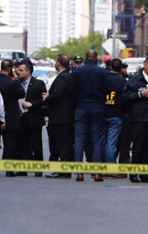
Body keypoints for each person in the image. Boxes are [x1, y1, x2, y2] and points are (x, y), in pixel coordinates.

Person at [70, 49, 108, 182]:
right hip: (97, 107)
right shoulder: (102, 72)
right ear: (96, 58)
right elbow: (107, 89)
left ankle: (79, 173)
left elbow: (71, 90)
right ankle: (97, 173)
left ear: (86, 58)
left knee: (79, 139)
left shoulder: (77, 72)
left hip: (81, 107)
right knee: (97, 140)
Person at [43, 54, 74, 178]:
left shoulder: (62, 77)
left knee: (61, 144)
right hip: (66, 115)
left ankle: (62, 170)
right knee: (66, 144)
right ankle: (65, 170)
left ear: (58, 63)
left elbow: (57, 95)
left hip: (60, 116)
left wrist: (47, 98)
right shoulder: (69, 76)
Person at [0, 60, 26, 176]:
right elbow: (21, 93)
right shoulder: (12, 82)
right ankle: (8, 170)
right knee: (10, 144)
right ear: (10, 68)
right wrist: (16, 81)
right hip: (11, 115)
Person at [16, 59, 47, 176]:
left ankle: (38, 169)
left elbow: (43, 100)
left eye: (21, 70)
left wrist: (31, 104)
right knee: (22, 143)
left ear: (28, 72)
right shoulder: (17, 83)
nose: (18, 72)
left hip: (34, 118)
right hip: (21, 118)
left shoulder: (38, 83)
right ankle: (22, 168)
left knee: (36, 144)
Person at [103, 59, 126, 176]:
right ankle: (110, 168)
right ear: (121, 68)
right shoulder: (122, 81)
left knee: (101, 141)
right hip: (116, 114)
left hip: (103, 112)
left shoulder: (103, 79)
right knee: (111, 143)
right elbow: (124, 98)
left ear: (110, 67)